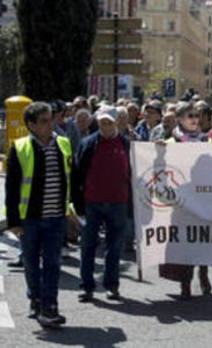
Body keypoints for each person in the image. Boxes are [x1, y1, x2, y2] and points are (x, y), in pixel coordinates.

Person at [5, 102, 72, 327]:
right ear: (31, 125)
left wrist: (73, 209)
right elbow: (12, 187)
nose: (49, 124)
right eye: (43, 120)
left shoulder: (63, 143)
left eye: (50, 119)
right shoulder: (20, 147)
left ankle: (49, 307)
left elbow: (71, 176)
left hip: (55, 217)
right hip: (30, 218)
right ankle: (35, 298)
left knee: (53, 263)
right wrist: (13, 222)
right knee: (32, 264)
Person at [73, 106, 131, 303]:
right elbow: (76, 174)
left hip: (118, 203)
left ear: (116, 123)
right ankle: (86, 287)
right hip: (92, 203)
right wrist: (78, 206)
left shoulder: (127, 144)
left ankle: (112, 285)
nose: (105, 126)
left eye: (109, 123)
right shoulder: (87, 144)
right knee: (88, 246)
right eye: (102, 123)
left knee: (114, 247)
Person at [158, 101, 211, 299]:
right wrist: (159, 152)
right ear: (179, 120)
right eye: (190, 116)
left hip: (203, 197)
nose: (195, 120)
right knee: (184, 242)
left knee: (203, 239)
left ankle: (204, 274)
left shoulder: (207, 141)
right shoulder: (170, 143)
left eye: (196, 116)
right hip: (180, 201)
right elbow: (161, 168)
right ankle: (185, 283)